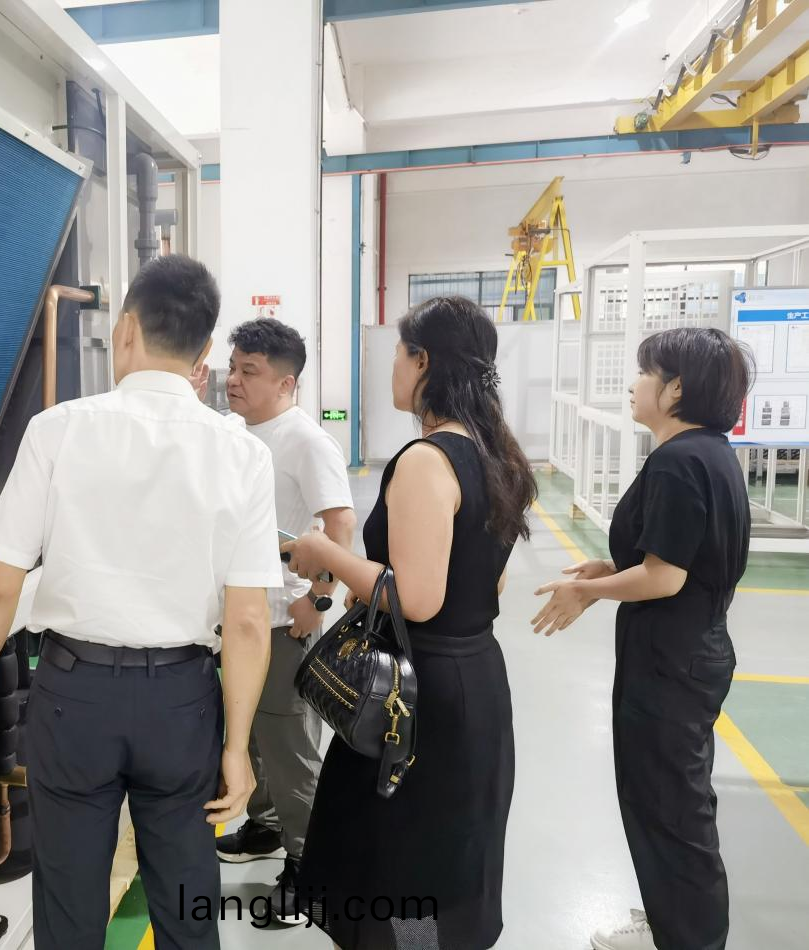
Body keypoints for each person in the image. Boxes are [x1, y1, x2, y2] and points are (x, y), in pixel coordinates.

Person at [0, 255, 280, 950]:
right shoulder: (241, 453)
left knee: (68, 907)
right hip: (182, 702)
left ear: (125, 332)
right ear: (205, 351)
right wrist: (237, 748)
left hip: (73, 697)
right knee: (186, 901)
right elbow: (246, 621)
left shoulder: (58, 429)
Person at [282, 296, 536, 950]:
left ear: (423, 361)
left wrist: (325, 553)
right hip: (474, 677)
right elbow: (488, 581)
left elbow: (417, 598)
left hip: (416, 695)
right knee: (450, 847)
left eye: (399, 353)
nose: (392, 366)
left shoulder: (427, 460)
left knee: (402, 853)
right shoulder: (495, 454)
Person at [532, 327, 754, 950]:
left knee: (670, 809)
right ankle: (670, 921)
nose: (633, 385)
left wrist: (588, 593)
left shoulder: (680, 461)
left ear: (675, 388)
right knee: (673, 800)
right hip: (689, 653)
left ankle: (689, 937)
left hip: (669, 663)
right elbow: (683, 557)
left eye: (643, 373)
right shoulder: (709, 453)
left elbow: (665, 577)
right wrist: (609, 568)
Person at [212, 318, 357, 925]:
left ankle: (309, 869)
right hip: (243, 617)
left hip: (284, 620)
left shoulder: (306, 441)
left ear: (286, 382)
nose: (233, 381)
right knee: (257, 739)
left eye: (249, 371)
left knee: (290, 747)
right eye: (232, 367)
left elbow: (341, 525)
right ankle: (268, 826)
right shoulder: (235, 432)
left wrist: (317, 599)